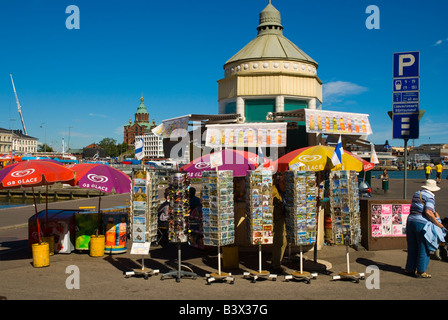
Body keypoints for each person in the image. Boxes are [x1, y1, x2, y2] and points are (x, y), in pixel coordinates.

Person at [405, 179, 445, 278]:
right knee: (424, 247)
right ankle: (421, 270)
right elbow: (428, 212)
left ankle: (410, 268)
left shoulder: (417, 193)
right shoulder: (430, 196)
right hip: (422, 223)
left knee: (412, 247)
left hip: (410, 221)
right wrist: (438, 224)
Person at [271, 172, 287, 274]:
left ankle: (278, 261)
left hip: (286, 218)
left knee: (284, 241)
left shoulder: (288, 191)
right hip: (277, 219)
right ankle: (276, 264)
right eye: (282, 182)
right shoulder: (274, 190)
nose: (284, 184)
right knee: (279, 240)